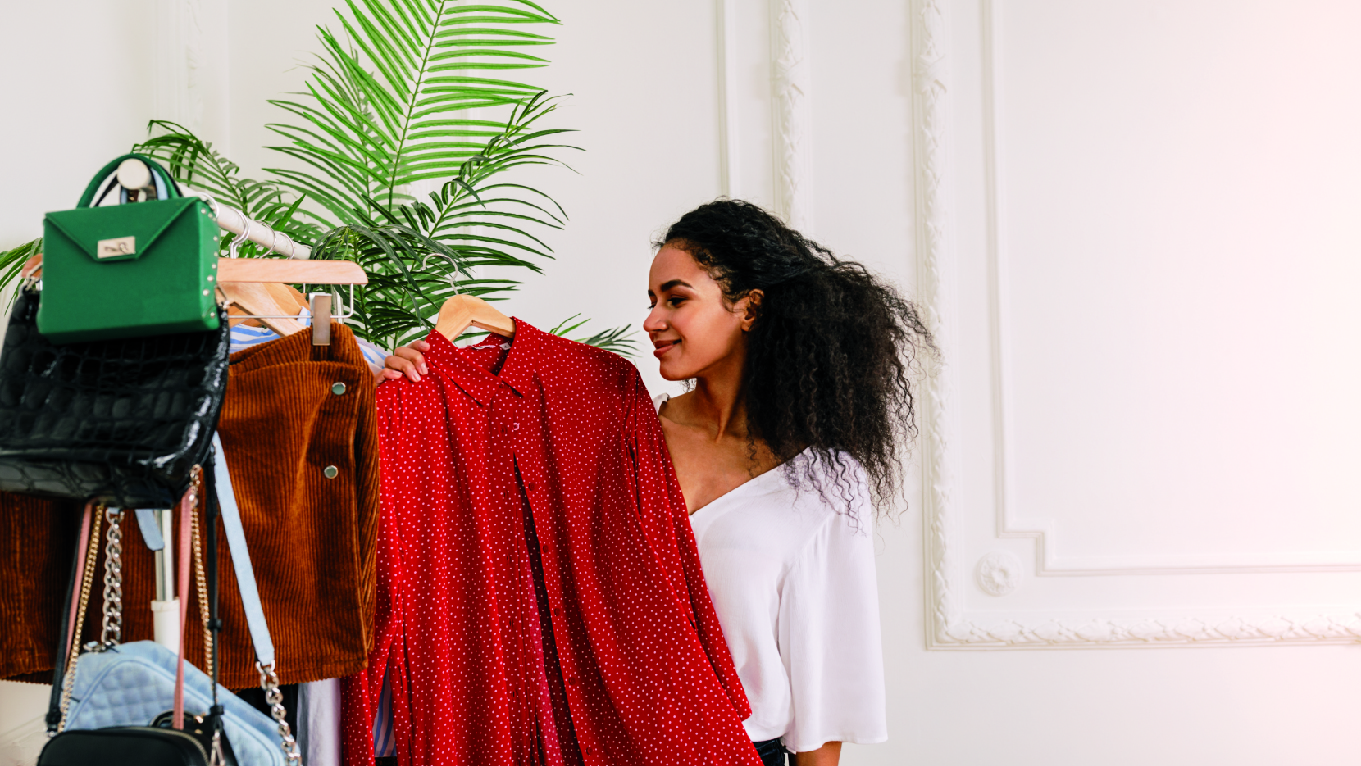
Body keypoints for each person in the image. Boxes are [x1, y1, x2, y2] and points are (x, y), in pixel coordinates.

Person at [384, 199, 934, 766]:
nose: (651, 320)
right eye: (651, 301)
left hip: (740, 750)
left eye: (676, 299)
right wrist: (409, 387)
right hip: (598, 748)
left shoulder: (822, 481)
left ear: (749, 308)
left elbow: (822, 694)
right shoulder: (614, 436)